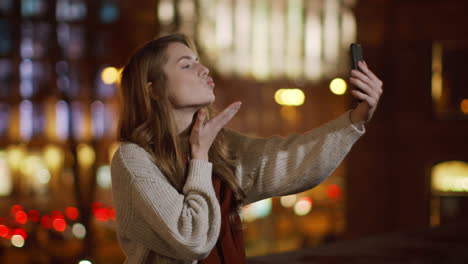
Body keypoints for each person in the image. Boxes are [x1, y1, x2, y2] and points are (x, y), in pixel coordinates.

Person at [110, 33, 383, 264]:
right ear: (153, 90)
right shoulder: (133, 159)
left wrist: (356, 118)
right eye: (186, 65)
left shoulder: (222, 146)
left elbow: (291, 161)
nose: (203, 69)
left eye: (198, 61)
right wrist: (200, 158)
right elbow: (192, 239)